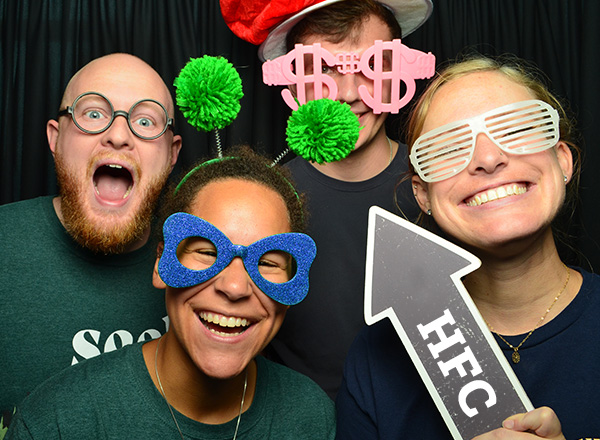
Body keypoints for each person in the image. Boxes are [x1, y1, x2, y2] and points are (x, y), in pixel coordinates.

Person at [336, 55, 600, 439]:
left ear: (562, 161)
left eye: (515, 129)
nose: (489, 159)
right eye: (448, 147)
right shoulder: (378, 358)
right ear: (422, 194)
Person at [5, 146, 336, 439]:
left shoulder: (310, 418)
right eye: (207, 252)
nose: (235, 287)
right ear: (161, 263)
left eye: (268, 263)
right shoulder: (59, 422)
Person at [221, 0, 432, 399]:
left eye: (372, 67)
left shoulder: (443, 187)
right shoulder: (265, 201)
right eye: (324, 72)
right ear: (293, 82)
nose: (349, 94)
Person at [0, 53, 182, 433]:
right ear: (55, 138)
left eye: (145, 121)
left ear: (171, 155)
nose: (118, 135)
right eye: (94, 114)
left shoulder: (201, 262)